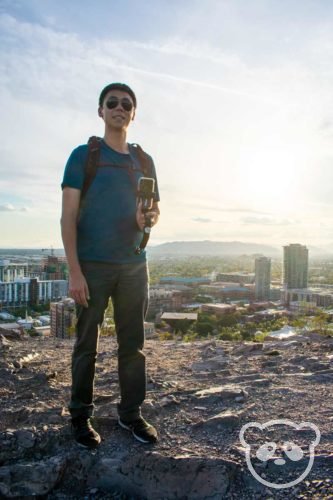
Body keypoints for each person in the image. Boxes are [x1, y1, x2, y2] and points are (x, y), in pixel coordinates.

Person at [60, 82, 160, 448]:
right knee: (87, 343)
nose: (120, 108)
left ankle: (131, 414)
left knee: (132, 344)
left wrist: (147, 217)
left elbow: (155, 211)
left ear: (134, 113)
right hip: (93, 266)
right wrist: (74, 271)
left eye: (127, 104)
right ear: (100, 111)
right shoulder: (83, 156)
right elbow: (67, 217)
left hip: (134, 265)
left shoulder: (144, 160)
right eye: (112, 103)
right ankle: (79, 416)